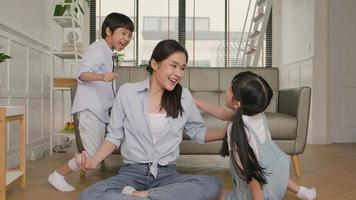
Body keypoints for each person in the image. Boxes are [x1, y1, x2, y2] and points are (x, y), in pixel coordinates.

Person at [75, 39, 223, 200]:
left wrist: (228, 132)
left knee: (211, 184)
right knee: (90, 195)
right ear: (154, 64)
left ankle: (142, 196)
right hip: (131, 174)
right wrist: (94, 160)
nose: (178, 73)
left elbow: (198, 133)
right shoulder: (127, 93)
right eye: (173, 66)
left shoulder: (184, 96)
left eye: (182, 68)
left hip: (167, 175)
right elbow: (114, 136)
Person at [195, 71, 317, 200]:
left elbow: (251, 177)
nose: (227, 89)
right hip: (274, 181)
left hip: (259, 193)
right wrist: (197, 103)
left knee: (217, 193)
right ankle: (303, 192)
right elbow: (223, 114)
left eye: (231, 88)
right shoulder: (256, 114)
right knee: (271, 169)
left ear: (237, 103)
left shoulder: (237, 130)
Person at [48, 12, 134, 192]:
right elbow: (81, 74)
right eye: (124, 33)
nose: (127, 39)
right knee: (93, 155)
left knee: (101, 150)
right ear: (109, 31)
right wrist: (102, 76)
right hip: (90, 109)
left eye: (130, 35)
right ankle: (57, 175)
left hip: (100, 110)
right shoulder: (97, 48)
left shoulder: (108, 52)